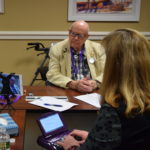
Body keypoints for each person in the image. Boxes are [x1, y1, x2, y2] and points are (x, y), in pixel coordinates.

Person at [57, 28, 150, 150]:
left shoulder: (114, 108)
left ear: (114, 65)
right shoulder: (142, 101)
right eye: (72, 33)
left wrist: (71, 146)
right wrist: (94, 138)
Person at [46, 20, 106, 93]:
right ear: (69, 32)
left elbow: (106, 72)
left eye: (80, 35)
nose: (75, 38)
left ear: (87, 36)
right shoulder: (57, 48)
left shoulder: (98, 48)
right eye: (73, 34)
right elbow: (52, 74)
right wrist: (72, 84)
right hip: (68, 90)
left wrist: (95, 83)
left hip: (92, 91)